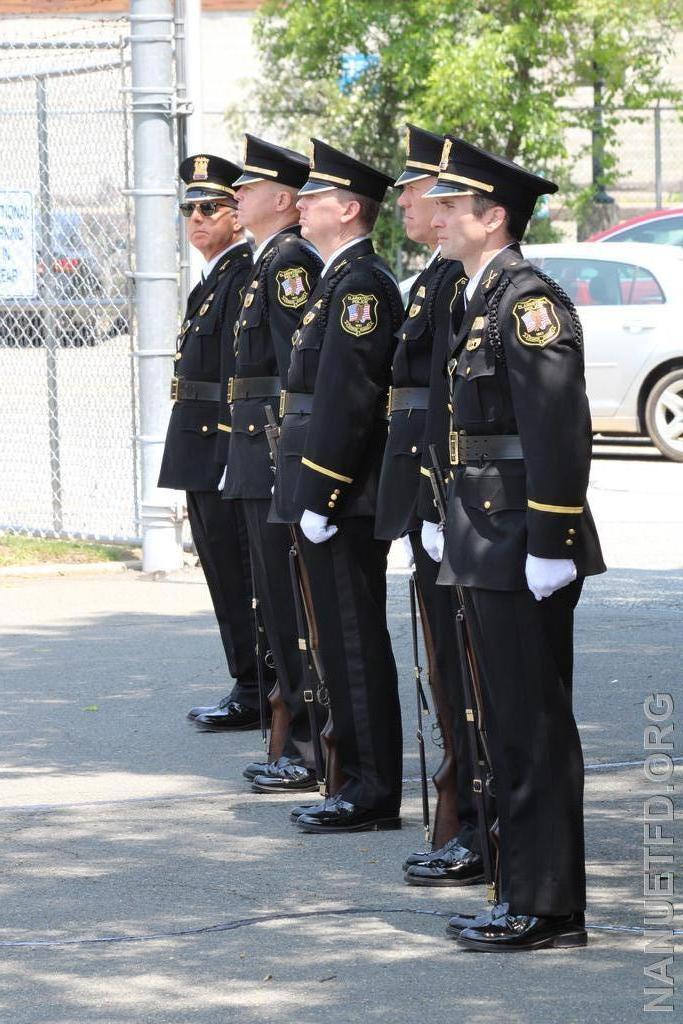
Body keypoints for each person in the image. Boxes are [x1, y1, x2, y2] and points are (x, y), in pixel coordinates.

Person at [422, 137, 605, 950]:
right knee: (501, 726)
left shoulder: (526, 299)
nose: (436, 217)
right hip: (484, 534)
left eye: (452, 207)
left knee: (531, 728)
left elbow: (557, 423)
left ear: (491, 217)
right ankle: (519, 891)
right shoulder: (479, 294)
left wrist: (551, 537)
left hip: (521, 539)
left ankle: (549, 905)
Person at [272, 139, 404, 833]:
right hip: (322, 489)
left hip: (342, 495)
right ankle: (352, 776)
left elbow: (349, 399)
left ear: (348, 209)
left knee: (351, 641)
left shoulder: (359, 287)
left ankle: (373, 788)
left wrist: (321, 494)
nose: (299, 204)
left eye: (314, 197)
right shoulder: (333, 280)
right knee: (335, 639)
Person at [374, 125, 482, 884]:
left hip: (454, 504)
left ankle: (476, 818)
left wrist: (439, 506)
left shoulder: (452, 284)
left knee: (466, 676)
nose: (416, 206)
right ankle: (467, 812)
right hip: (427, 497)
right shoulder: (432, 281)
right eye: (421, 194)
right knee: (445, 671)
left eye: (424, 194)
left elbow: (447, 404)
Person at [223, 135, 324, 791]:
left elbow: (295, 372)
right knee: (272, 606)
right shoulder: (267, 261)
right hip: (254, 448)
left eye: (248, 186)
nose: (235, 194)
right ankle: (292, 738)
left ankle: (312, 745)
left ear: (282, 200)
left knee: (291, 610)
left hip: (272, 447)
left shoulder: (289, 266)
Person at [158, 153, 266, 732]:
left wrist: (229, 453)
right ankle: (246, 680)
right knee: (223, 571)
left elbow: (238, 375)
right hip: (198, 445)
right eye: (189, 209)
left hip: (221, 447)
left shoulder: (243, 275)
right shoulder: (214, 278)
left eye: (211, 207)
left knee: (240, 572)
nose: (197, 218)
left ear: (237, 215)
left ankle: (256, 687)